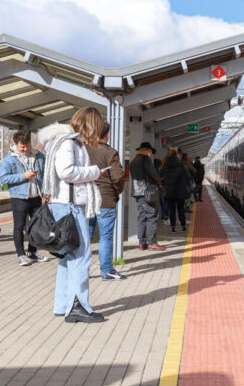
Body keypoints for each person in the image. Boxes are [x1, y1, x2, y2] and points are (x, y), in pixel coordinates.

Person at [38, 107, 106, 324]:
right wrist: (94, 171)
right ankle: (77, 306)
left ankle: (63, 304)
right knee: (81, 255)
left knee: (68, 256)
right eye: (96, 128)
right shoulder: (69, 142)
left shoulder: (61, 140)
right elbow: (66, 172)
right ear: (90, 125)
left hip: (64, 204)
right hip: (69, 206)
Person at [0, 130, 47, 267]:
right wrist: (23, 176)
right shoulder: (9, 159)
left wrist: (45, 194)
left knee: (36, 226)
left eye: (28, 146)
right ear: (15, 144)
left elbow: (43, 176)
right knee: (19, 227)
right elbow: (3, 178)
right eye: (22, 147)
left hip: (36, 197)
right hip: (19, 198)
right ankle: (21, 255)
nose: (25, 149)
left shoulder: (38, 156)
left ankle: (32, 252)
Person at [86, 122, 126, 280]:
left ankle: (82, 271)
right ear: (107, 135)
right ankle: (107, 271)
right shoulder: (110, 153)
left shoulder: (83, 150)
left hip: (87, 199)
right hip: (106, 199)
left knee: (86, 237)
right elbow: (118, 177)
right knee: (105, 237)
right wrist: (116, 191)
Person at [129, 142, 165, 251]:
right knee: (151, 215)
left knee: (141, 216)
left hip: (137, 192)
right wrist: (160, 181)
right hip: (147, 192)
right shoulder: (145, 159)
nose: (151, 155)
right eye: (150, 153)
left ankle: (142, 243)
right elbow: (154, 173)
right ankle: (152, 242)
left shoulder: (133, 161)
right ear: (148, 151)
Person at [161, 148, 188, 233]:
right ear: (177, 155)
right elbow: (186, 176)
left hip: (169, 191)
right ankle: (183, 226)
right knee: (181, 209)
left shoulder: (165, 165)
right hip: (180, 191)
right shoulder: (180, 164)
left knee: (172, 210)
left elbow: (160, 175)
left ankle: (173, 228)